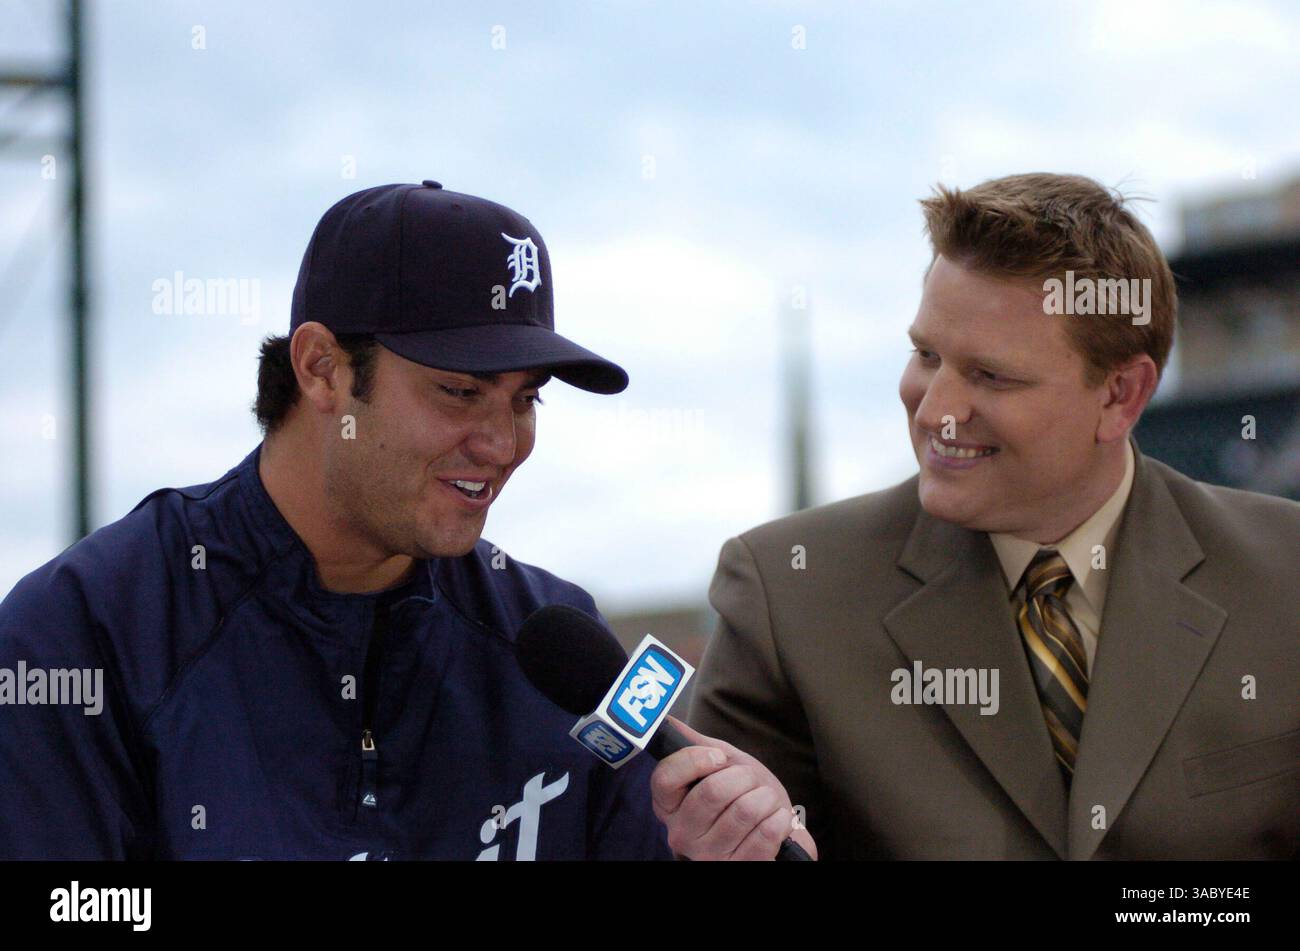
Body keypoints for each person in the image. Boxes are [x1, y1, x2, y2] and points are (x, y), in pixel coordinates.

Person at [0, 180, 673, 860]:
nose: (502, 443)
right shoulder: (85, 629)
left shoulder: (557, 645)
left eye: (526, 399)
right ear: (322, 370)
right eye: (461, 391)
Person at [687, 172, 1300, 860]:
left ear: (1121, 395)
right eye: (927, 355)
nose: (933, 408)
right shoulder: (785, 597)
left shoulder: (1287, 576)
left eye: (991, 376)